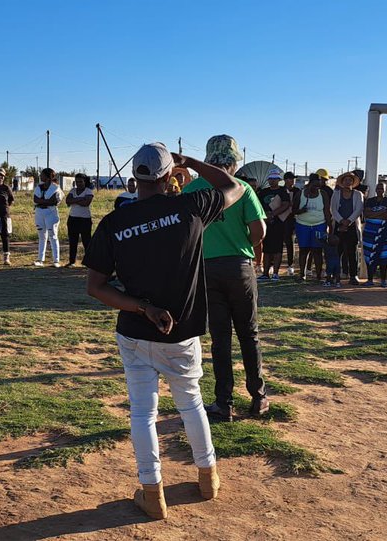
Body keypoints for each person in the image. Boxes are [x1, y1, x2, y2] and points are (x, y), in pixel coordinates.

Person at [84, 142, 244, 520]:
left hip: (137, 332)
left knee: (142, 413)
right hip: (182, 333)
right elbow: (234, 187)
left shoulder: (114, 223)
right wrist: (191, 162)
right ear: (170, 175)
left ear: (132, 178)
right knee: (191, 405)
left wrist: (144, 307)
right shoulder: (190, 207)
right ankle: (208, 479)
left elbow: (96, 287)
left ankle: (152, 493)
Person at [181, 134, 267, 423]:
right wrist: (247, 246)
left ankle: (224, 403)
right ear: (232, 163)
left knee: (220, 339)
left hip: (206, 269)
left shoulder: (191, 190)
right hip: (239, 267)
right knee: (249, 334)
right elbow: (260, 231)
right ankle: (258, 397)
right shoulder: (243, 189)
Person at [293, 173, 330, 284]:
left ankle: (318, 275)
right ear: (309, 184)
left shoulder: (323, 194)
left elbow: (327, 211)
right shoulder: (300, 194)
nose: (316, 188)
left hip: (319, 224)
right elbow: (293, 210)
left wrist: (329, 226)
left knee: (317, 250)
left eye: (318, 186)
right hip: (302, 224)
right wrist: (300, 211)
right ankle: (302, 274)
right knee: (304, 249)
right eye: (314, 185)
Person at [257, 170, 292, 281]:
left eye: (275, 179)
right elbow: (257, 204)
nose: (273, 180)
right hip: (265, 222)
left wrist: (273, 214)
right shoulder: (263, 192)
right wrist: (265, 215)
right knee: (266, 249)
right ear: (268, 180)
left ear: (278, 180)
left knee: (277, 249)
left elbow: (286, 204)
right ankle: (265, 273)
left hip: (279, 222)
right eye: (271, 178)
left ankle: (276, 273)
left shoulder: (282, 191)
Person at [361, 182, 387, 287]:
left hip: (384, 231)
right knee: (369, 255)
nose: (380, 189)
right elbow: (366, 214)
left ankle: (383, 280)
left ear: (385, 190)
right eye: (378, 188)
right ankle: (370, 279)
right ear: (376, 189)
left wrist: (374, 214)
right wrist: (381, 212)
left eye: (382, 188)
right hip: (370, 232)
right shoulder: (370, 201)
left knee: (384, 255)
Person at [331, 172, 364, 285]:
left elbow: (359, 209)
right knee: (337, 251)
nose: (347, 182)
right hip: (339, 226)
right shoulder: (336, 194)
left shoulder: (358, 194)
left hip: (352, 226)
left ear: (353, 182)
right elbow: (333, 209)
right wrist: (341, 221)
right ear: (342, 182)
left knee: (352, 252)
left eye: (350, 180)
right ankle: (335, 274)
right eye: (346, 180)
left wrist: (348, 221)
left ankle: (353, 275)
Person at [32, 168, 62, 267]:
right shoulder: (39, 187)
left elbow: (54, 201)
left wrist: (42, 201)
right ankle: (40, 259)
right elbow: (35, 199)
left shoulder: (56, 188)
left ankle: (56, 260)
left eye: (42, 175)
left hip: (51, 212)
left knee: (53, 235)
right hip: (40, 212)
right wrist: (45, 201)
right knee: (42, 236)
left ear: (49, 177)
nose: (40, 176)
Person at [65, 174, 95, 267]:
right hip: (73, 218)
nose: (78, 183)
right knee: (73, 241)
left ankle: (88, 262)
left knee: (86, 241)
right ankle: (72, 261)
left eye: (80, 181)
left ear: (85, 181)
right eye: (77, 181)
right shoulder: (73, 190)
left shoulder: (88, 191)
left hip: (85, 219)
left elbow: (86, 203)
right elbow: (67, 201)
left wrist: (74, 200)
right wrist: (80, 198)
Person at [282, 171, 300, 275]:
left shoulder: (297, 190)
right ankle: (272, 264)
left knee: (290, 242)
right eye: (290, 178)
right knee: (278, 241)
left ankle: (290, 264)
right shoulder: (281, 190)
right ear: (285, 180)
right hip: (280, 218)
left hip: (293, 218)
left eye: (293, 178)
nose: (292, 180)